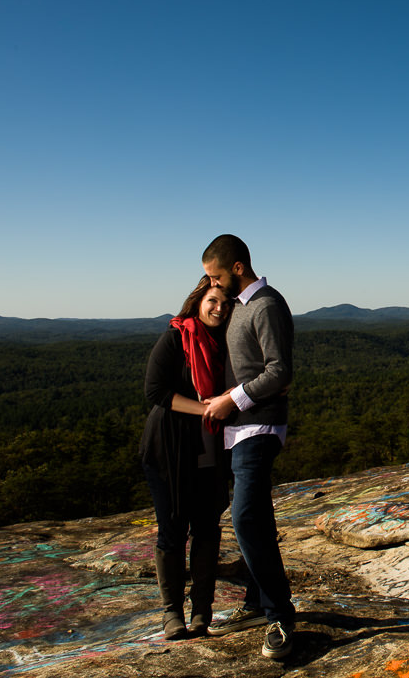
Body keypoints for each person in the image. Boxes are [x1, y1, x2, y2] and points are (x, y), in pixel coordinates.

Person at [199, 234, 296, 660]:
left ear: (237, 267)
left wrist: (230, 399)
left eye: (216, 276)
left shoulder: (267, 305)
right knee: (255, 515)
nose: (212, 285)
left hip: (260, 426)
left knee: (243, 517)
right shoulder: (238, 308)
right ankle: (257, 602)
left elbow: (280, 371)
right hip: (237, 429)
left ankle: (281, 615)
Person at [141, 277, 232, 639]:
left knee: (208, 529)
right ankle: (171, 613)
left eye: (225, 304)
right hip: (169, 448)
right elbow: (155, 390)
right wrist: (205, 409)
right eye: (213, 301)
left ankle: (202, 612)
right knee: (173, 529)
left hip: (211, 449)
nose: (219, 309)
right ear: (198, 301)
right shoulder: (177, 337)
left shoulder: (226, 342)